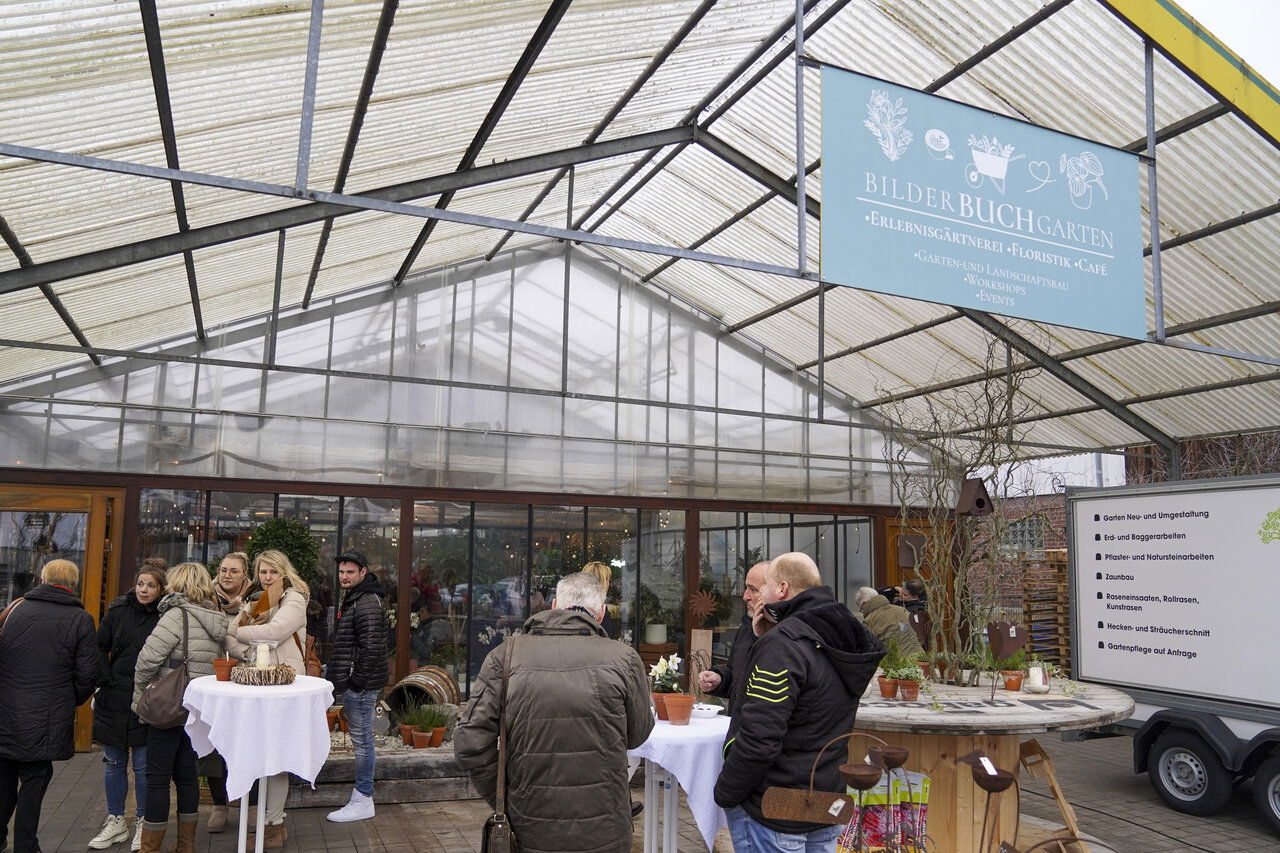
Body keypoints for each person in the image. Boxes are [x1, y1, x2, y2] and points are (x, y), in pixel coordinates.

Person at [454, 572, 654, 853]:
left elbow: (469, 743)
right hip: (606, 828)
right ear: (600, 614)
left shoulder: (505, 656)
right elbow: (638, 735)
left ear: (554, 606)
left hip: (528, 825)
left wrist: (506, 796)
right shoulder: (624, 658)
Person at [714, 553, 883, 852]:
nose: (753, 596)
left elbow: (760, 738)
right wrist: (765, 639)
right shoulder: (843, 635)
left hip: (776, 806)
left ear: (781, 589)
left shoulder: (784, 644)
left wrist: (726, 792)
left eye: (762, 586)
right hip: (826, 798)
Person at [0, 559, 98, 853]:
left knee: (4, 777)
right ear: (74, 584)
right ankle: (26, 845)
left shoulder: (16, 609)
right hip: (47, 715)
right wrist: (68, 700)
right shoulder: (80, 619)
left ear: (42, 579)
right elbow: (87, 674)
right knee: (35, 779)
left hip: (7, 710)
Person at [132, 562, 228, 853]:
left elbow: (147, 660)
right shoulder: (216, 618)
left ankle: (150, 848)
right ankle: (187, 845)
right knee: (187, 777)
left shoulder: (176, 615)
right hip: (196, 711)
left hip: (168, 707)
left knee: (157, 779)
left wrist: (140, 696)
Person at [224, 550, 309, 849]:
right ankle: (270, 824)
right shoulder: (258, 601)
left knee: (277, 757)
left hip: (284, 683)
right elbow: (229, 636)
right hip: (260, 682)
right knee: (262, 754)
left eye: (273, 572)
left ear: (284, 573)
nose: (268, 577)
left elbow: (275, 632)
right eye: (263, 572)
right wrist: (249, 648)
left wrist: (242, 632)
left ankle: (273, 825)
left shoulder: (293, 598)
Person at [90, 559, 168, 852]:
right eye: (140, 584)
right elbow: (100, 646)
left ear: (160, 589)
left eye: (150, 585)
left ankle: (143, 822)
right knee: (113, 763)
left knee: (144, 766)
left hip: (147, 699)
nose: (144, 590)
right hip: (114, 697)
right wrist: (104, 680)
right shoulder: (118, 610)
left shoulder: (165, 615)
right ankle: (115, 820)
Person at [325, 550, 387, 823]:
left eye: (350, 572)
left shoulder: (367, 602)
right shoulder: (357, 597)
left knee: (362, 742)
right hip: (358, 683)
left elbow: (372, 649)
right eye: (341, 572)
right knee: (361, 740)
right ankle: (362, 797)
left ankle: (363, 799)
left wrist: (356, 683)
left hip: (361, 686)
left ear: (363, 572)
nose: (344, 576)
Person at [198, 551, 256, 833]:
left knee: (249, 743)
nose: (227, 575)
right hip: (215, 681)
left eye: (234, 571)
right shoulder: (205, 600)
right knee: (214, 745)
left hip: (247, 682)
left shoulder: (255, 602)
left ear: (245, 575)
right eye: (223, 570)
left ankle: (251, 805)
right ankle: (219, 805)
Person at [697, 560, 768, 716]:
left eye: (753, 589)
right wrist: (719, 679)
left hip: (762, 726)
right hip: (739, 725)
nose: (745, 596)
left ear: (776, 592)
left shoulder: (789, 637)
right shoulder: (745, 628)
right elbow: (736, 677)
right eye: (746, 588)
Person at [854, 586, 924, 658]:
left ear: (865, 603)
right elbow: (919, 634)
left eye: (861, 609)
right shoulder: (901, 610)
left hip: (895, 661)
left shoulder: (869, 621)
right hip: (919, 657)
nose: (863, 612)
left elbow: (869, 649)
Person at [580, 561, 618, 637]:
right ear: (602, 582)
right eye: (608, 580)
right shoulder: (599, 611)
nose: (609, 584)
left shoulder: (575, 606)